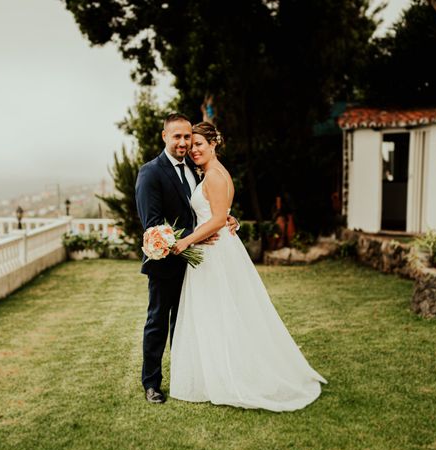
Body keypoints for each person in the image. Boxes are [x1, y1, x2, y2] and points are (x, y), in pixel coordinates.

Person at [170, 122, 327, 412]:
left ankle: (230, 375)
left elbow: (217, 220)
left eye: (199, 145)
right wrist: (231, 221)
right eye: (191, 146)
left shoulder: (215, 175)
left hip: (214, 251)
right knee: (219, 311)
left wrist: (185, 242)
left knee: (220, 311)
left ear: (214, 144)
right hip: (218, 248)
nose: (193, 150)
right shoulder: (214, 173)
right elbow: (223, 216)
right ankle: (214, 373)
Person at [135, 113, 238, 404]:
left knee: (188, 324)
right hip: (166, 261)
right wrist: (196, 236)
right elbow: (152, 223)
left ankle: (190, 377)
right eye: (177, 137)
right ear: (165, 136)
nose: (184, 143)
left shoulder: (195, 169)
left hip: (197, 263)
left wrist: (226, 220)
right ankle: (152, 383)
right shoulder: (150, 172)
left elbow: (206, 209)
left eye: (187, 138)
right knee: (158, 322)